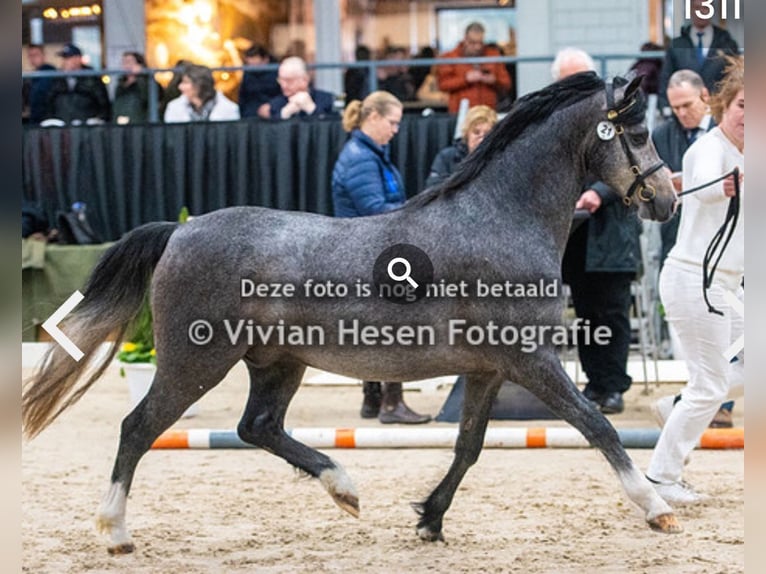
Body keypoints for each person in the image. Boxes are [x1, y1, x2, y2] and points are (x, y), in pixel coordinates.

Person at [646, 56, 744, 504]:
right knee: (710, 385)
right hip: (693, 281)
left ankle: (675, 408)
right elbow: (701, 183)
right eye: (744, 105)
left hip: (724, 286)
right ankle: (661, 478)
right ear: (723, 105)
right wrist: (724, 185)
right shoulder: (709, 148)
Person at [331, 90, 431, 424]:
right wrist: (417, 210)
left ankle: (372, 399)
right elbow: (374, 211)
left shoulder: (372, 153)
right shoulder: (361, 157)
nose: (395, 130)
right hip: (366, 250)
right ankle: (392, 402)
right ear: (372, 117)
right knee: (398, 323)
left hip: (367, 247)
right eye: (392, 122)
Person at [553, 47, 641, 415]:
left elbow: (635, 164)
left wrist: (597, 193)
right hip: (574, 236)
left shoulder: (617, 112)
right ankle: (593, 381)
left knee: (613, 311)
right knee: (586, 313)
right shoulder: (556, 120)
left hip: (611, 232)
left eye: (580, 79)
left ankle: (614, 384)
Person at [657, 0, 739, 115]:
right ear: (690, 11)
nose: (701, 12)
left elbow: (734, 78)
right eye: (697, 8)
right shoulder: (677, 45)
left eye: (706, 8)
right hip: (684, 113)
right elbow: (666, 78)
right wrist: (665, 108)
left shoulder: (727, 44)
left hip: (717, 111)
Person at [436, 22, 511, 114]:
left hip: (487, 113)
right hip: (460, 112)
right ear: (465, 39)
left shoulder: (493, 55)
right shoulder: (450, 57)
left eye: (480, 42)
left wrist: (494, 81)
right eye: (473, 43)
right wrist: (465, 79)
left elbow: (506, 84)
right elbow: (442, 84)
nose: (477, 47)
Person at [424, 104, 497, 188]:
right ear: (466, 134)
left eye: (487, 134)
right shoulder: (446, 157)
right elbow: (433, 188)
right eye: (476, 132)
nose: (481, 139)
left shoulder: (499, 159)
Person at [47, 43, 110, 124]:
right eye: (64, 58)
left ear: (77, 59)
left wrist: (98, 119)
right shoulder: (57, 79)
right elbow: (49, 103)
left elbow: (103, 102)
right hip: (63, 128)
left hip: (86, 128)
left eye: (68, 58)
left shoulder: (91, 77)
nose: (65, 62)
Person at [258, 56, 336, 120]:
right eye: (281, 80)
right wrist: (283, 114)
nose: (283, 85)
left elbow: (337, 125)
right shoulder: (277, 103)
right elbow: (264, 117)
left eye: (289, 80)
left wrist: (312, 110)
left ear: (305, 80)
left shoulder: (328, 100)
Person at [163, 64, 239, 123]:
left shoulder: (229, 109)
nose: (180, 87)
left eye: (186, 82)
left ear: (199, 85)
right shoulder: (174, 107)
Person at [112, 51, 163, 124]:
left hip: (141, 125)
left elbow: (151, 98)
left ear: (140, 64)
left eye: (129, 62)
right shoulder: (120, 85)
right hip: (121, 124)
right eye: (124, 62)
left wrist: (141, 76)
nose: (126, 66)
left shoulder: (149, 82)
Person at [238, 44, 281, 118]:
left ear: (265, 60)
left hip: (272, 114)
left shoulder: (277, 72)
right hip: (250, 115)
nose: (252, 67)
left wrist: (273, 106)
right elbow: (243, 95)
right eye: (249, 64)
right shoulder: (248, 73)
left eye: (256, 64)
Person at [22, 44, 56, 124]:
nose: (33, 58)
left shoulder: (50, 73)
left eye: (36, 54)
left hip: (47, 118)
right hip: (35, 118)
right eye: (30, 55)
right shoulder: (33, 76)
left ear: (43, 55)